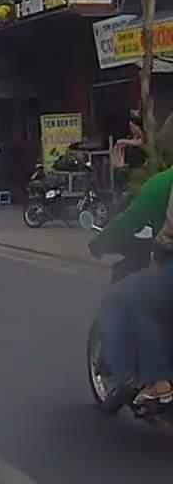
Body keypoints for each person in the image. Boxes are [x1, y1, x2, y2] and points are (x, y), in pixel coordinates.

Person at [90, 163, 173, 403]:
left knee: (130, 297)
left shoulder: (160, 184)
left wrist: (99, 245)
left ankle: (157, 382)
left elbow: (132, 222)